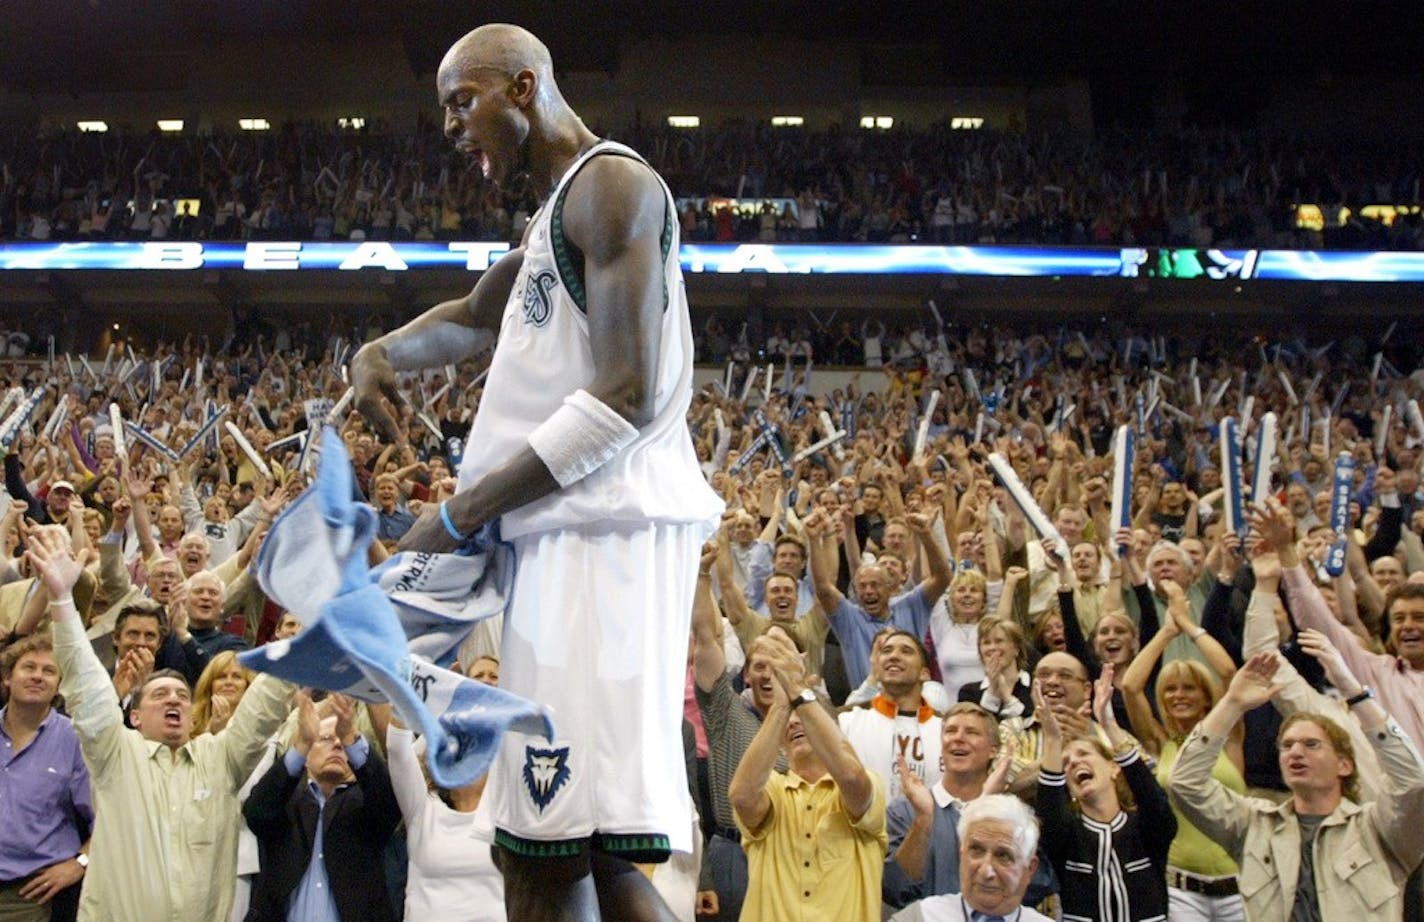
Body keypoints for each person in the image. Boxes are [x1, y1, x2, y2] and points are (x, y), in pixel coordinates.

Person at [350, 22, 722, 921]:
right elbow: (478, 315)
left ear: (521, 88)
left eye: (459, 102)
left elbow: (625, 396)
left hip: (604, 539)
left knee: (541, 851)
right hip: (570, 535)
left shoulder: (615, 186)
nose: (450, 128)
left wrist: (465, 509)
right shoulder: (561, 205)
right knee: (591, 853)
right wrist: (382, 352)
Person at [24, 526, 294, 922]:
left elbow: (263, 707)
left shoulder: (220, 756)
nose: (173, 699)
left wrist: (307, 635)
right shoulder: (115, 753)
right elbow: (85, 684)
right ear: (133, 716)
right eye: (159, 694)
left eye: (182, 696)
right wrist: (62, 599)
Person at [1169, 652, 1424, 921]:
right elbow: (1185, 784)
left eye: (1311, 745)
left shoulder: (1377, 829)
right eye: (1287, 746)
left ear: (1344, 765)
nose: (1296, 753)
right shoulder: (1254, 824)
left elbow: (1413, 782)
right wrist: (1231, 704)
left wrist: (1356, 695)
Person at [728, 631, 886, 921]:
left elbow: (851, 777)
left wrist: (799, 691)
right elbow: (741, 796)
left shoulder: (868, 783)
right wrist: (781, 704)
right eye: (789, 719)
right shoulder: (772, 789)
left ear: (830, 730)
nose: (795, 721)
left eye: (806, 717)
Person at [243, 692, 400, 922]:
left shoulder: (367, 806)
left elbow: (390, 805)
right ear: (307, 756)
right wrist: (301, 744)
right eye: (326, 739)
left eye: (342, 742)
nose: (337, 744)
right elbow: (256, 811)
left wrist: (351, 738)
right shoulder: (286, 803)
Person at [1035, 666, 1176, 922]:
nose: (1074, 763)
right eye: (1065, 763)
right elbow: (1049, 811)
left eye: (1084, 755)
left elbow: (1154, 800)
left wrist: (1109, 725)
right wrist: (1053, 741)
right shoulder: (1067, 835)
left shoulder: (1145, 828)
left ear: (1113, 768)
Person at [0, 635, 92, 922]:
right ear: (7, 679)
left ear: (59, 686)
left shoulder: (76, 740)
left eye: (49, 671)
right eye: (29, 667)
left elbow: (108, 819)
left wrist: (81, 862)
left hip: (29, 896)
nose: (38, 676)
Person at [888, 795, 1054, 922]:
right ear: (961, 854)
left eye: (1003, 856)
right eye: (976, 850)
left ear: (1030, 868)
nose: (986, 871)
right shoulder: (920, 918)